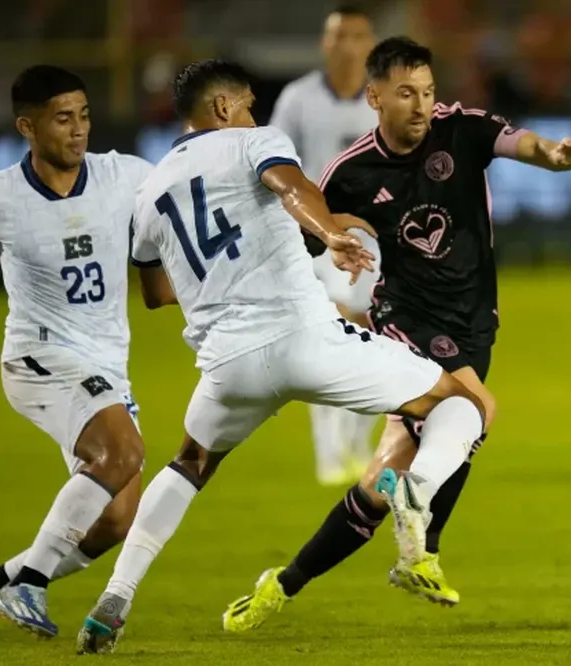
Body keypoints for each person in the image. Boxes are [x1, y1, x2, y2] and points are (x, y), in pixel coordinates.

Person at [74, 59, 486, 655]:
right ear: (223, 108)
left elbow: (157, 293)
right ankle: (416, 491)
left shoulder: (149, 194)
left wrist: (230, 273)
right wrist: (330, 232)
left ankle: (114, 599)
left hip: (228, 366)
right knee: (460, 404)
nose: (252, 115)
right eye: (246, 104)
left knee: (189, 464)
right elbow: (290, 187)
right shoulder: (254, 142)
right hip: (307, 339)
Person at [221, 36, 571, 626]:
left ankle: (282, 585)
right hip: (406, 316)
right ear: (375, 98)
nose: (422, 104)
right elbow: (300, 231)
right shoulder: (350, 171)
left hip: (474, 320)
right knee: (474, 407)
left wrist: (555, 154)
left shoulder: (461, 129)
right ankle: (423, 548)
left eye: (427, 91)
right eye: (406, 93)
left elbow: (520, 142)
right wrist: (331, 241)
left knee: (381, 480)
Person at [0, 65, 169, 643]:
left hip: (106, 366)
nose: (79, 129)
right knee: (124, 451)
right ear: (27, 126)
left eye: (84, 115)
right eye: (63, 118)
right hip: (38, 357)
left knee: (115, 520)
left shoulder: (126, 176)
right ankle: (31, 582)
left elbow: (180, 204)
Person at [269, 3, 380, 485]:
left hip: (378, 237)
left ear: (371, 45)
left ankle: (356, 446)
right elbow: (274, 165)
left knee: (382, 342)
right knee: (335, 333)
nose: (348, 46)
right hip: (320, 238)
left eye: (358, 36)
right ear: (325, 43)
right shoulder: (298, 99)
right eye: (339, 36)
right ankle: (329, 453)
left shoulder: (383, 99)